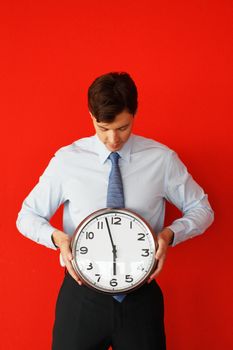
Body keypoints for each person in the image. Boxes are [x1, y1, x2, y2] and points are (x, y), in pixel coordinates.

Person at [16, 72, 214, 350]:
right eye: (103, 128)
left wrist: (170, 234)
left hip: (140, 301)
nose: (112, 139)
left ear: (134, 113)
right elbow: (26, 216)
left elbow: (202, 208)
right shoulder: (67, 161)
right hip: (81, 299)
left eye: (123, 127)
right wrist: (58, 240)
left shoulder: (162, 160)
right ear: (90, 116)